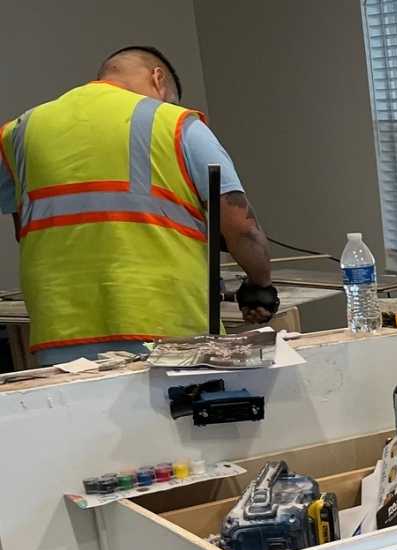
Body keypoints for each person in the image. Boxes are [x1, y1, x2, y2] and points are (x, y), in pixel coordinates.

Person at [0, 46, 278, 365]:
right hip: (165, 327)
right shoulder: (175, 123)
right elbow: (241, 227)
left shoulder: (21, 130)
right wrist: (259, 285)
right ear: (157, 78)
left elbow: (23, 223)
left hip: (61, 328)